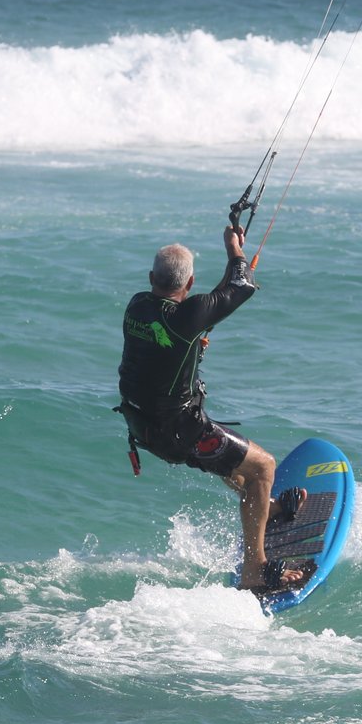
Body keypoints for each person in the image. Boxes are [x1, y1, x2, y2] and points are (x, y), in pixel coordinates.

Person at [116, 225, 309, 594]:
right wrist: (234, 248)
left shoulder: (138, 304)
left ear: (152, 278)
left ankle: (267, 508)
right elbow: (242, 287)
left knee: (226, 454)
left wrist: (231, 266)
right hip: (180, 432)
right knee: (263, 467)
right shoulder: (189, 315)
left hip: (144, 427)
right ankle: (256, 570)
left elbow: (215, 302)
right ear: (189, 284)